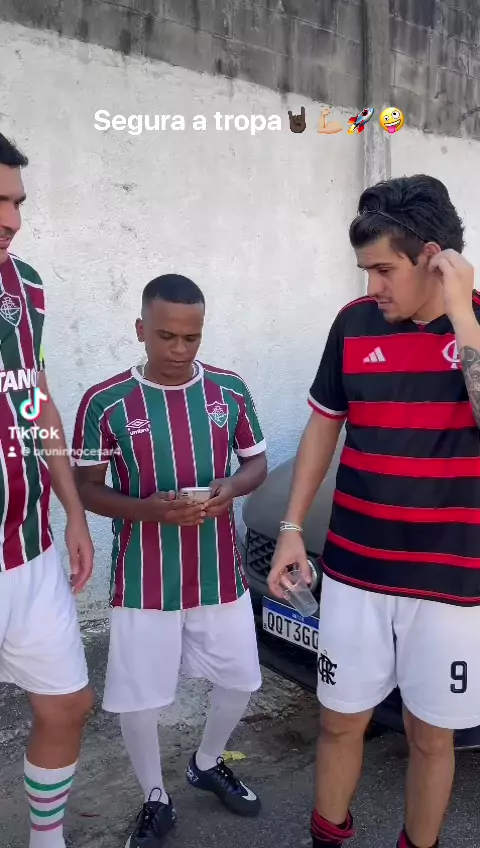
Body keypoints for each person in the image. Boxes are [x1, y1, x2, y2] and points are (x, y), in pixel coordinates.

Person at [268, 174, 480, 848]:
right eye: (366, 271)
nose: (373, 286)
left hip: (449, 582)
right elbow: (323, 426)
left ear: (433, 259)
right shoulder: (353, 324)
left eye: (384, 270)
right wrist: (291, 529)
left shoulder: (478, 324)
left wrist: (463, 316)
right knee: (339, 720)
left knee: (430, 736)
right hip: (356, 572)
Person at [72, 273, 267, 847]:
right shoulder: (105, 401)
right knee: (140, 696)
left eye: (191, 337)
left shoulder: (229, 390)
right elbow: (85, 488)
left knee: (241, 678)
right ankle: (155, 795)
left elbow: (255, 463)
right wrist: (148, 511)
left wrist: (231, 489)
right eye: (166, 336)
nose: (179, 350)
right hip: (143, 577)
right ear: (141, 330)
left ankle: (206, 762)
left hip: (219, 571)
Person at [0, 135, 94, 847]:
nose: (12, 221)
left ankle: (46, 840)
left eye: (18, 202)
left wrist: (74, 510)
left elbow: (36, 399)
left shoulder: (24, 286)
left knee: (67, 703)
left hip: (27, 550)